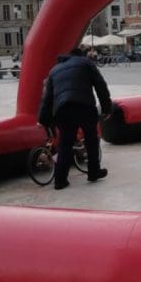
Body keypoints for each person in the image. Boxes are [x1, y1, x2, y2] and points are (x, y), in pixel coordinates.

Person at [38, 46, 112, 191]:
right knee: (91, 139)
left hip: (63, 110)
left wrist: (43, 119)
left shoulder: (54, 70)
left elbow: (47, 98)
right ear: (81, 55)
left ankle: (60, 181)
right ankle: (93, 172)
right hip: (84, 106)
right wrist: (107, 108)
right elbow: (100, 85)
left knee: (65, 144)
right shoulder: (86, 63)